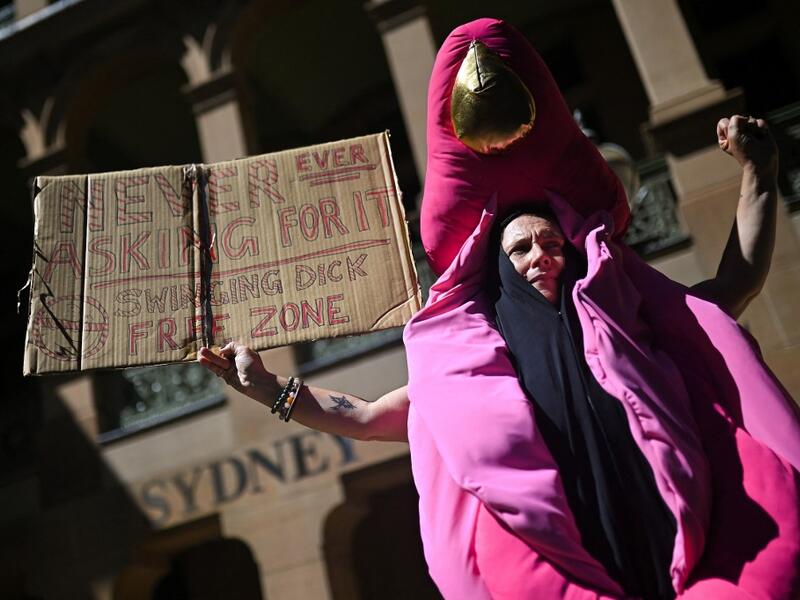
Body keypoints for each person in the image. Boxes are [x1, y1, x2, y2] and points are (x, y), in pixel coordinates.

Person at [200, 112, 799, 599]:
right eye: (519, 250)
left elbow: (735, 286)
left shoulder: (629, 320)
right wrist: (266, 387)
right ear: (498, 268)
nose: (539, 256)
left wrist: (759, 174)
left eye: (550, 243)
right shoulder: (480, 363)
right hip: (580, 566)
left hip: (684, 543)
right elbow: (362, 417)